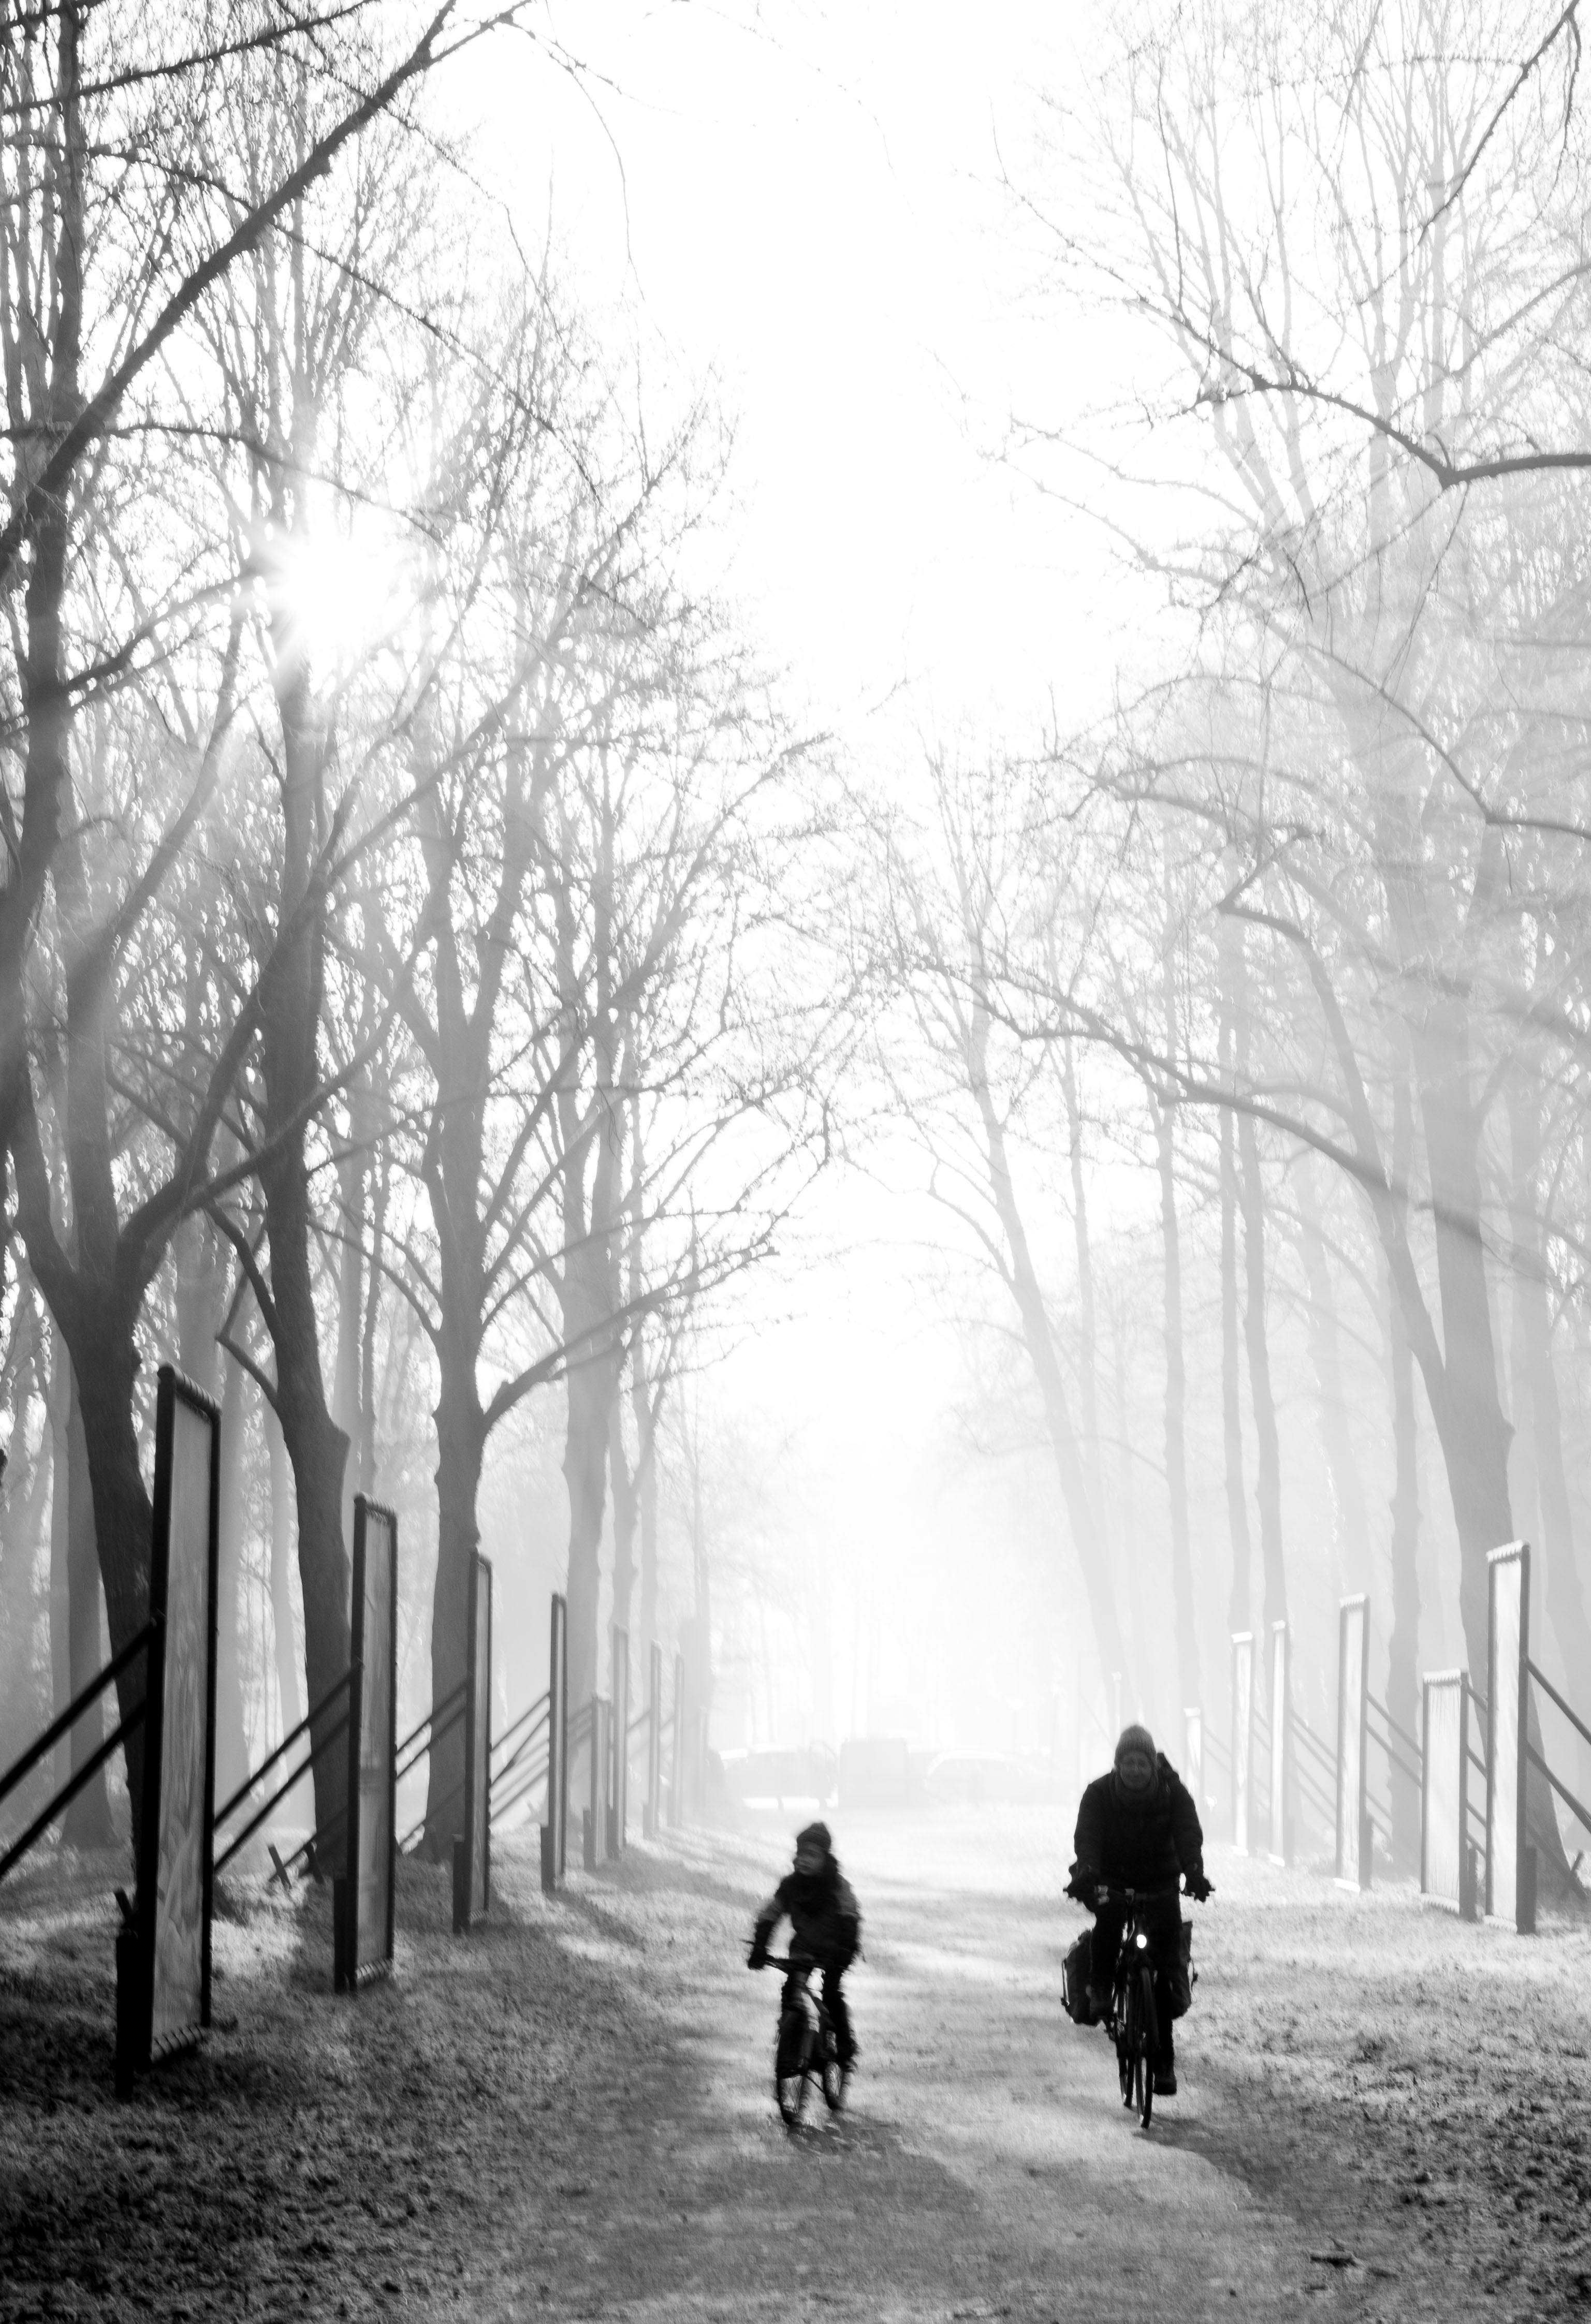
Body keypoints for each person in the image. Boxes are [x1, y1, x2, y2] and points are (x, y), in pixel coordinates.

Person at [1066, 1723, 1212, 2097]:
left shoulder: (1172, 1793)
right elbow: (1088, 1838)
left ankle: (1163, 2062)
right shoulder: (1098, 1795)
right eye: (1127, 1763)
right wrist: (1086, 1872)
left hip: (1160, 1881)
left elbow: (1187, 1832)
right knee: (1109, 1922)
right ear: (1117, 1765)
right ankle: (1100, 1987)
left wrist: (1193, 1871)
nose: (1135, 1770)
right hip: (1111, 1880)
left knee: (1163, 1971)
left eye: (1141, 1763)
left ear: (1152, 1765)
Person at [747, 1820, 862, 2076]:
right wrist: (759, 1946)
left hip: (836, 1948)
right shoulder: (791, 1886)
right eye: (801, 1854)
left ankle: (845, 2045)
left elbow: (850, 1914)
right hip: (804, 1947)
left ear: (825, 1857)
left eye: (812, 1855)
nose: (804, 1860)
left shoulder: (837, 1885)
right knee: (791, 1991)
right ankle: (791, 2046)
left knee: (831, 1994)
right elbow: (771, 1914)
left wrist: (846, 1948)